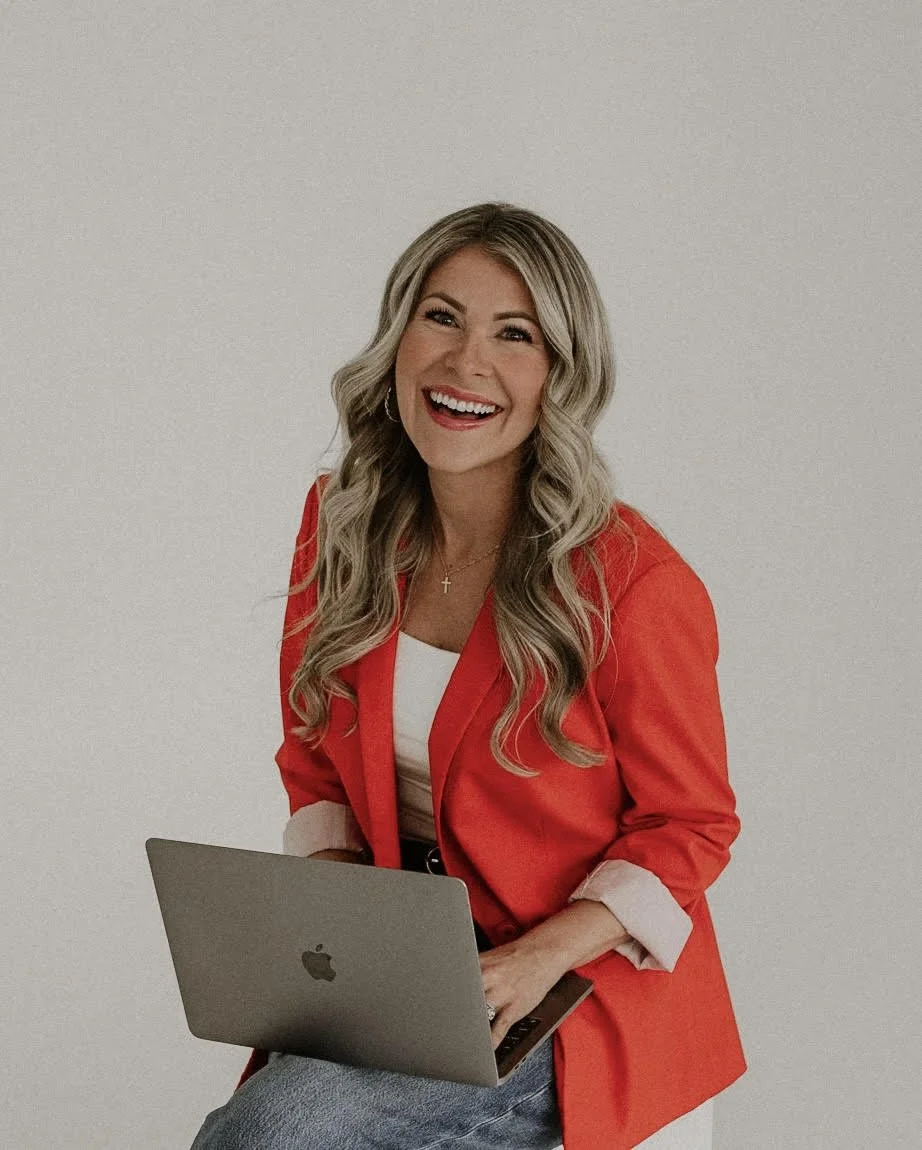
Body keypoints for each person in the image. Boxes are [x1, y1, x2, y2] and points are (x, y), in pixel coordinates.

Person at [190, 202, 746, 1149]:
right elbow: (316, 759)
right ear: (397, 338)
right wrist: (344, 940)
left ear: (562, 372)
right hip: (403, 976)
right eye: (441, 317)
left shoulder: (632, 583)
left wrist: (534, 959)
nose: (466, 363)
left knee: (273, 1133)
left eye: (514, 334)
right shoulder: (347, 523)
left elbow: (690, 824)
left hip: (570, 990)